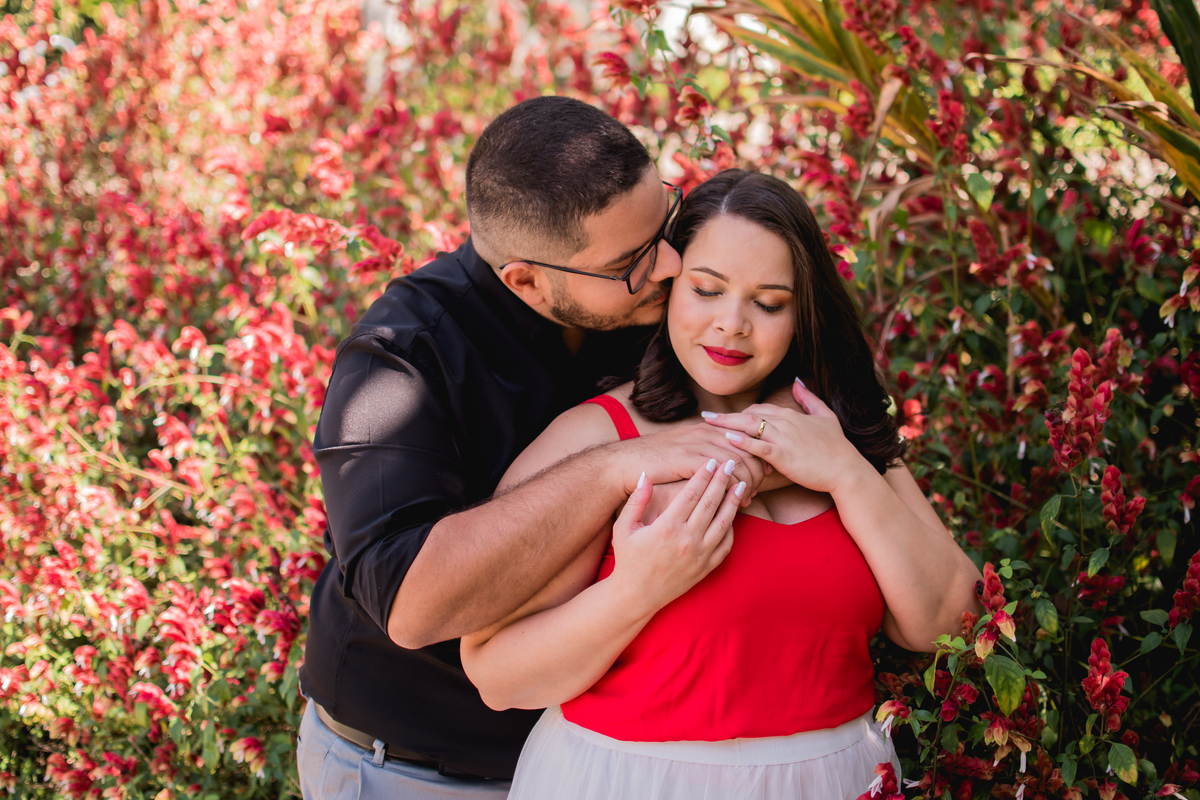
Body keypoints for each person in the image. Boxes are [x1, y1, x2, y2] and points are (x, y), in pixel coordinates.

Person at [296, 98, 778, 799]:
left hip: (596, 760)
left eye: (664, 224)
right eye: (634, 261)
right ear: (525, 279)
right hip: (413, 768)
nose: (671, 264)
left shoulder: (651, 298)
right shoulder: (401, 359)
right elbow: (408, 603)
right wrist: (615, 464)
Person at [460, 169, 985, 800]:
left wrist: (846, 472)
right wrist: (638, 589)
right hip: (634, 783)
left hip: (835, 781)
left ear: (803, 313)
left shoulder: (834, 431)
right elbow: (497, 676)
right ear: (667, 289)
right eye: (706, 290)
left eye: (768, 304)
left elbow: (948, 623)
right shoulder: (594, 440)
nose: (732, 324)